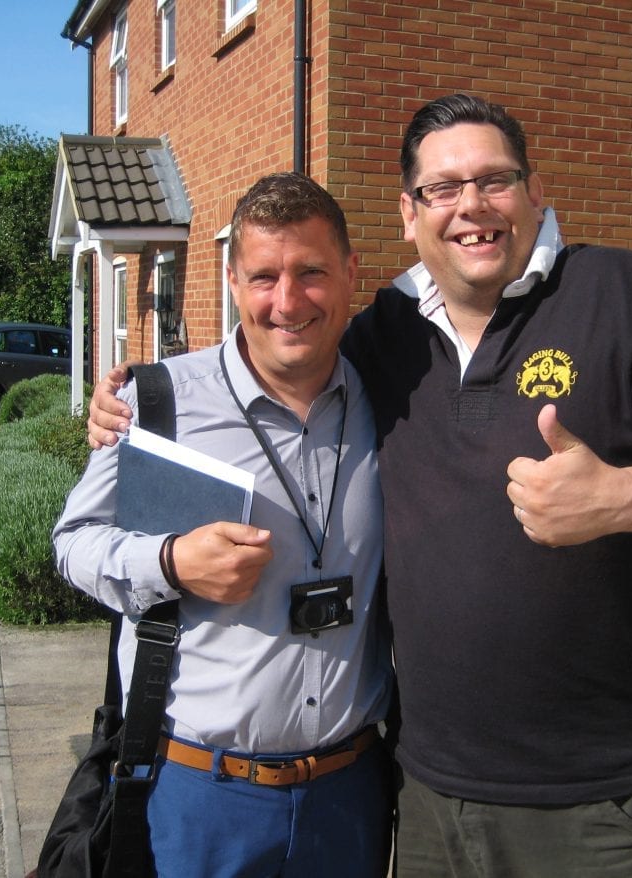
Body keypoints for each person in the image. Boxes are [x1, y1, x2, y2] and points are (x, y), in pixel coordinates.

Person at [87, 95, 632, 878]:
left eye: (495, 180)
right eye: (442, 189)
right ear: (409, 214)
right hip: (424, 796)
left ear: (534, 191)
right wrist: (143, 398)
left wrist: (622, 497)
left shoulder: (628, 297)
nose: (471, 207)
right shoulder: (384, 333)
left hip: (596, 801)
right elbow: (282, 333)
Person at [53, 172, 393, 878]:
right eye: (264, 276)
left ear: (351, 274)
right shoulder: (162, 404)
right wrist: (172, 562)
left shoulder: (387, 402)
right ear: (233, 280)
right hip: (201, 797)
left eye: (312, 273)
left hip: (350, 795)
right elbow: (73, 544)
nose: (288, 301)